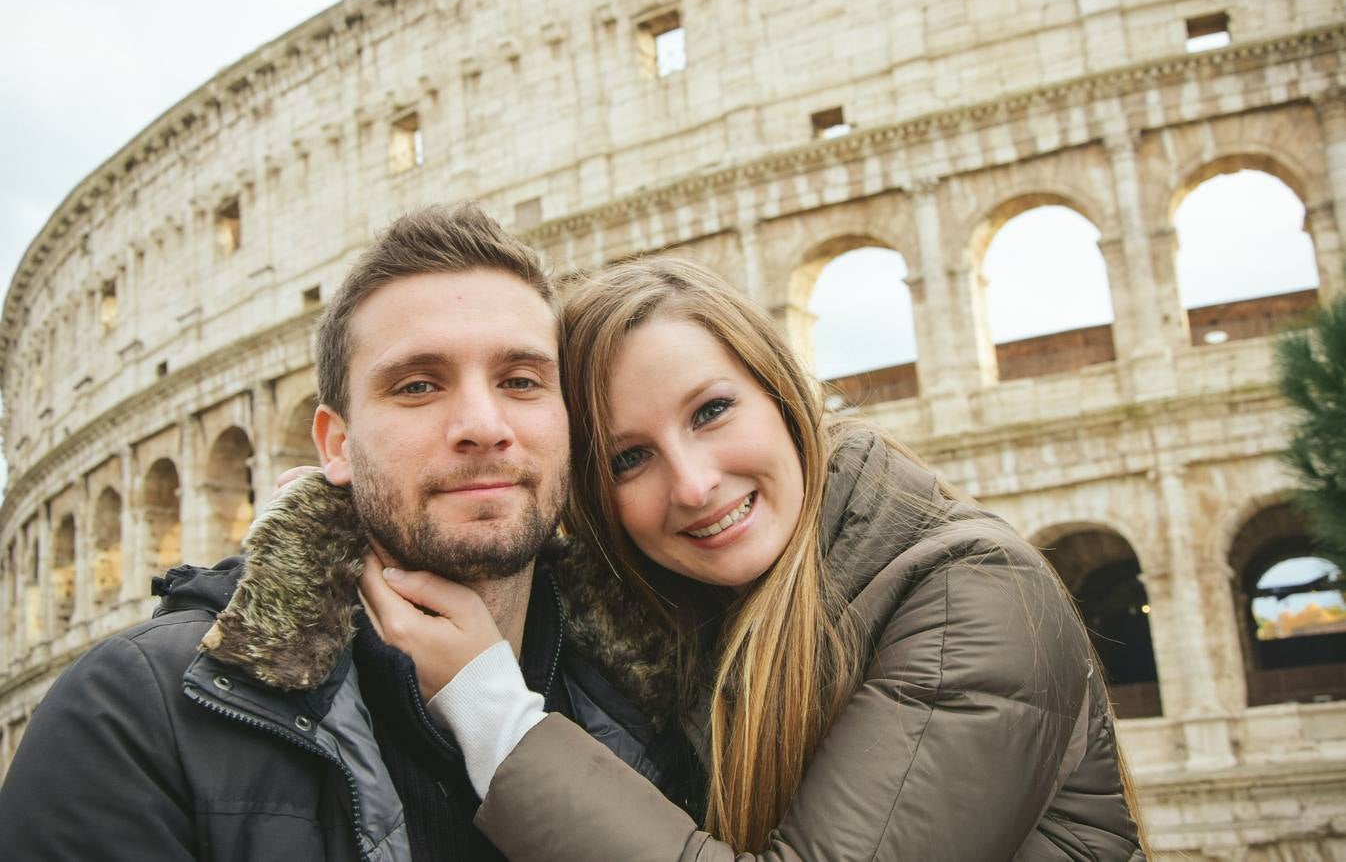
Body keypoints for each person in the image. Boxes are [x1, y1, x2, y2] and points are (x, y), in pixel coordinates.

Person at [360, 257, 1149, 860]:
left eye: (712, 410)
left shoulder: (973, 597)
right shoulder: (681, 615)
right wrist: (360, 500)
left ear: (782, 393)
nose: (696, 484)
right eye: (629, 459)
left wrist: (494, 716)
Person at [0, 205, 697, 861]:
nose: (483, 425)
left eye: (520, 381)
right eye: (418, 386)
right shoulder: (133, 715)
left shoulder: (685, 688)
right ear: (336, 444)